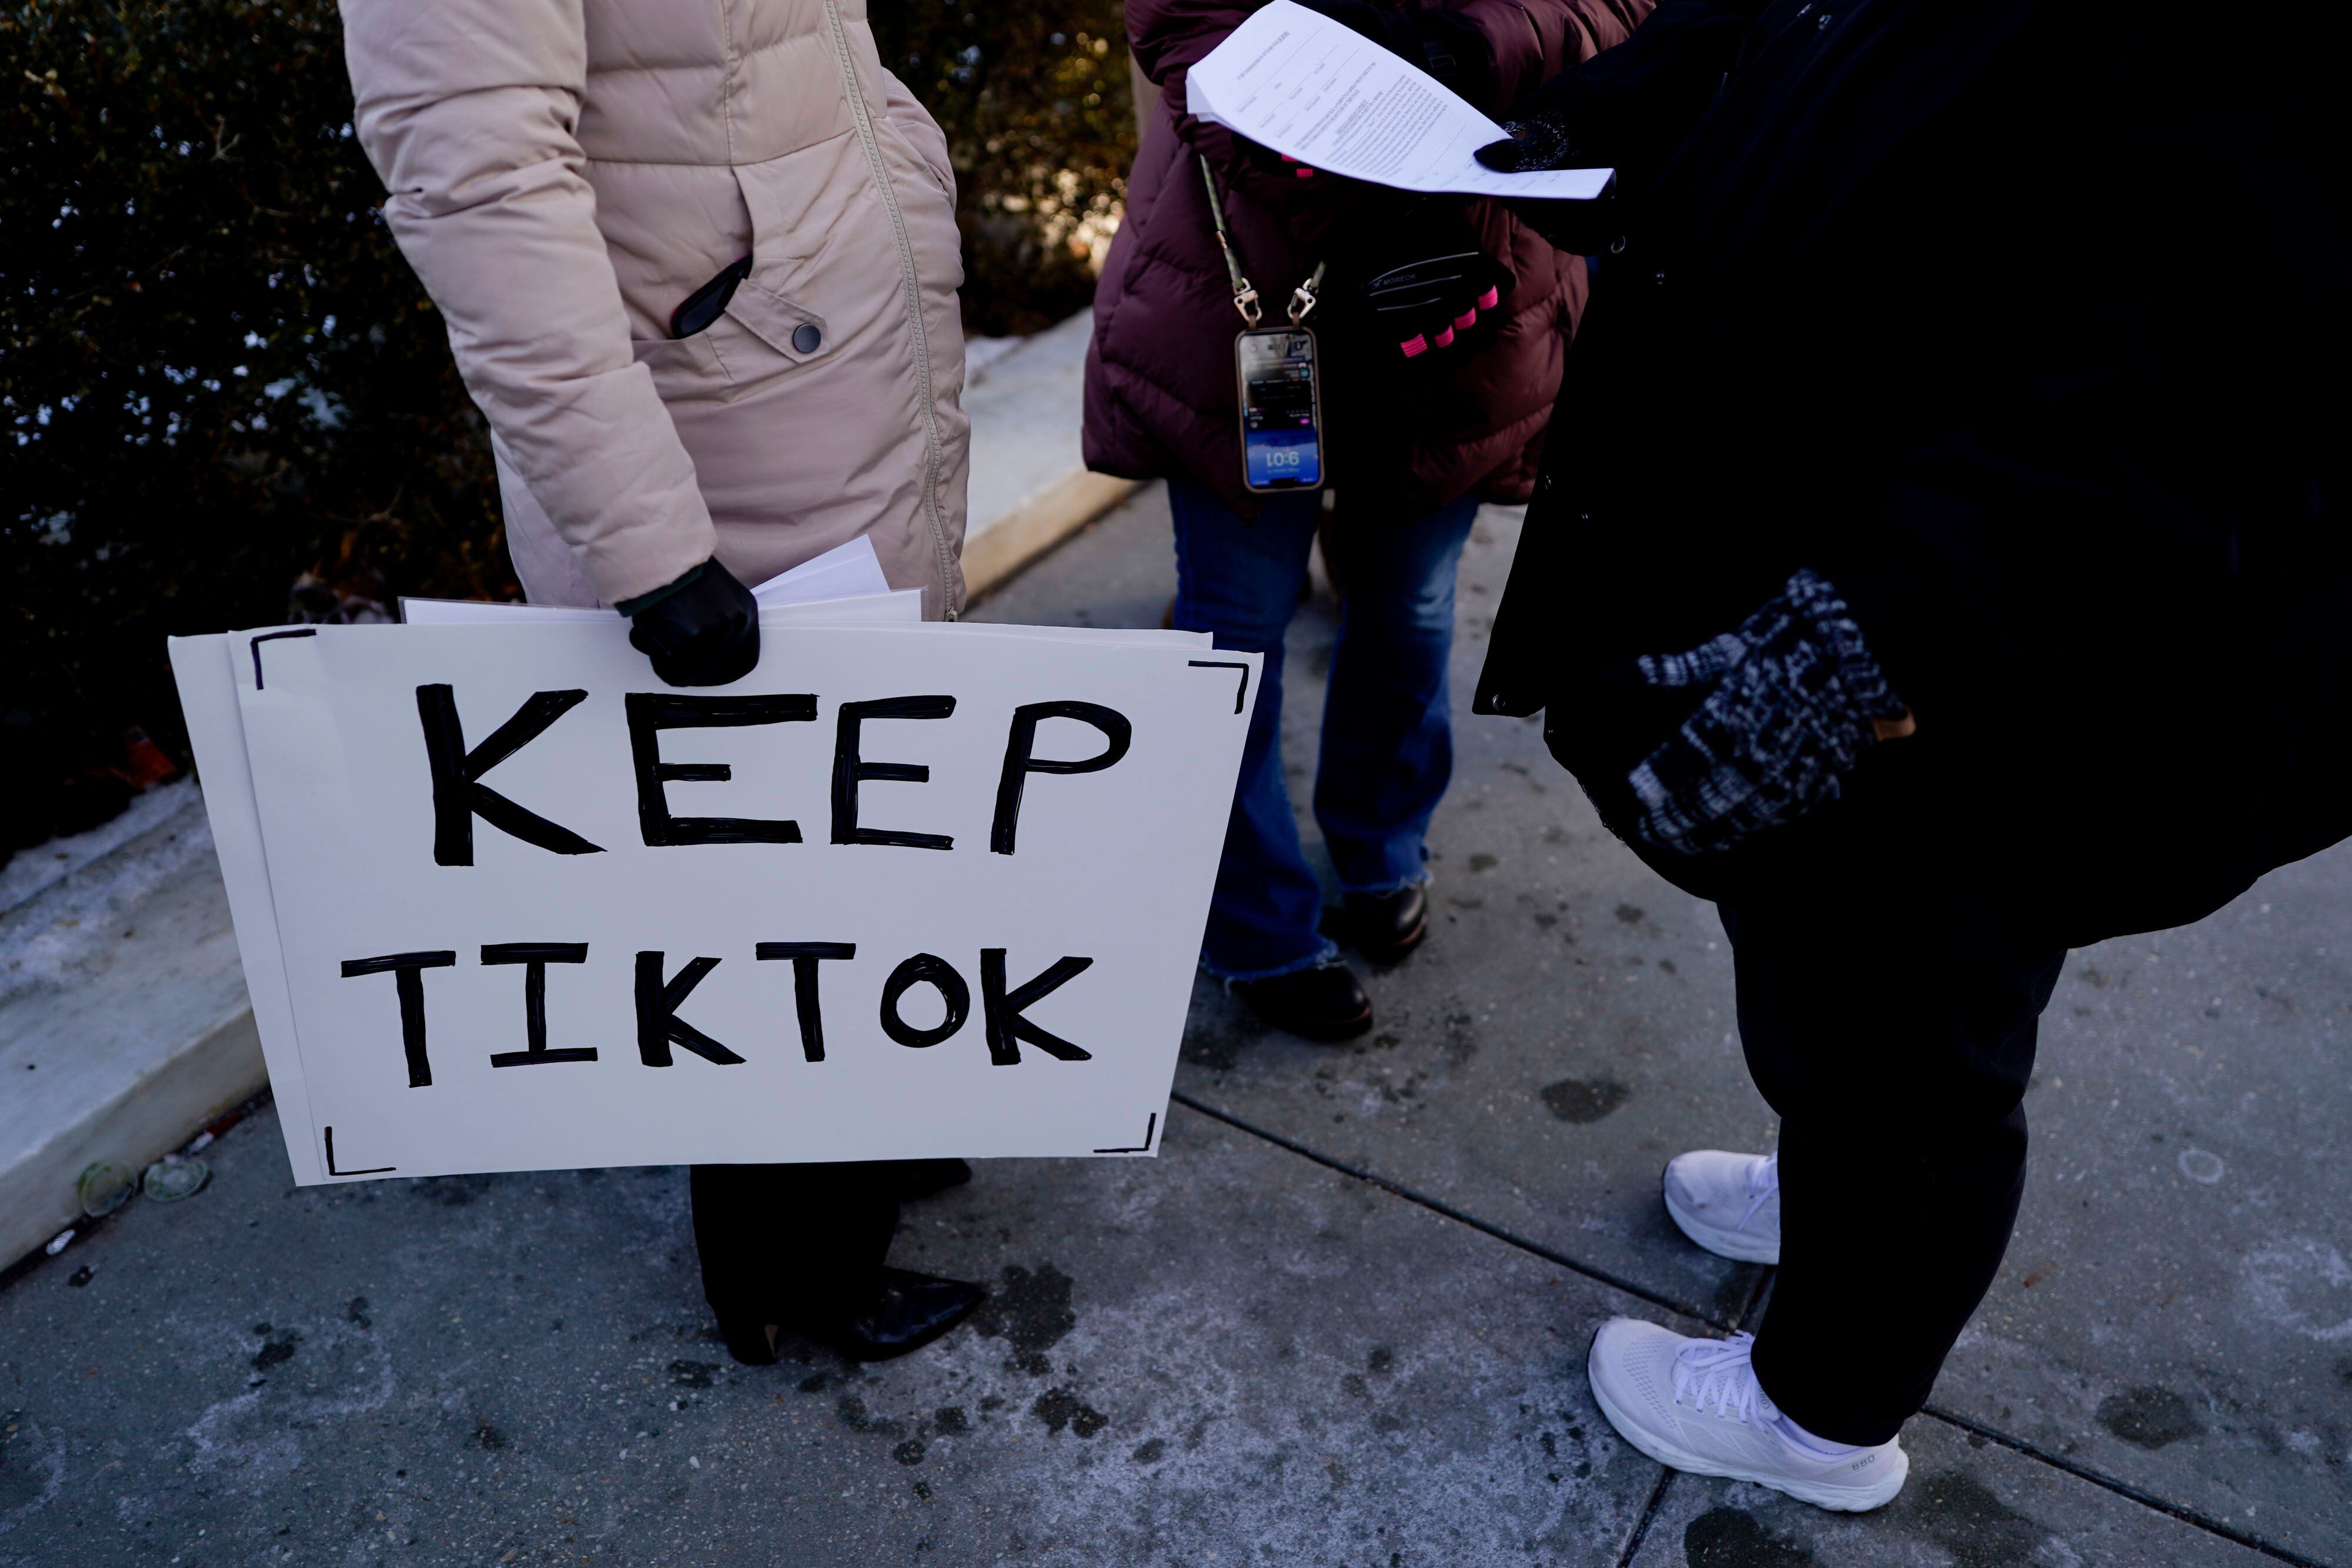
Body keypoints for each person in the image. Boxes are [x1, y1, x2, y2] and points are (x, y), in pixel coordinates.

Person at [1472, 0, 2348, 1511]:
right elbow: (1792, 34)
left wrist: (1870, 642)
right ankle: (1834, 1192)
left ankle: (1821, 1403)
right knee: (1824, 968)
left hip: (1988, 627)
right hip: (1824, 512)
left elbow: (2202, 372)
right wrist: (1595, 112)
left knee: (1913, 1035)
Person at [340, 0, 988, 1365]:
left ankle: (855, 1137)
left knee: (848, 854)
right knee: (754, 903)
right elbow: (483, 188)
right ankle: (789, 1281)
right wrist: (648, 548)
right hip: (725, 455)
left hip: (821, 391)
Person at [1085, 0, 1651, 1042]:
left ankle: (1381, 845)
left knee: (1411, 606)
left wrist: (1477, 46)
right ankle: (1253, 924)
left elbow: (1626, 14)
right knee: (1230, 632)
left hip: (1465, 282)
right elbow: (1180, 24)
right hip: (1243, 277)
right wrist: (1362, 150)